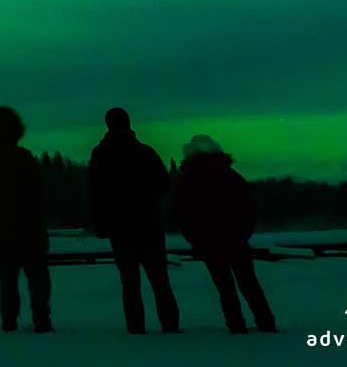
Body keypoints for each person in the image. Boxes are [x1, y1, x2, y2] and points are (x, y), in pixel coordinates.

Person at [89, 107, 181, 334]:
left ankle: (136, 329)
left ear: (108, 125)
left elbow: (96, 192)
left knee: (130, 284)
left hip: (119, 228)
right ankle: (170, 326)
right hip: (148, 225)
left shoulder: (100, 154)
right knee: (160, 281)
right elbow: (164, 185)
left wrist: (101, 223)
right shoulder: (146, 152)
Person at [174, 135, 277, 334]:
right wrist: (243, 234)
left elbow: (182, 214)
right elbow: (249, 208)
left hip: (208, 242)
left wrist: (195, 238)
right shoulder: (231, 175)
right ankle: (266, 321)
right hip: (235, 239)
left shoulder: (187, 180)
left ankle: (236, 324)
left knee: (225, 287)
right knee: (249, 283)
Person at [0, 106, 53, 334]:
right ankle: (41, 318)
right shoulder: (24, 158)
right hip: (30, 228)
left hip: (3, 229)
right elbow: (39, 194)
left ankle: (9, 319)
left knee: (7, 278)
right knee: (37, 276)